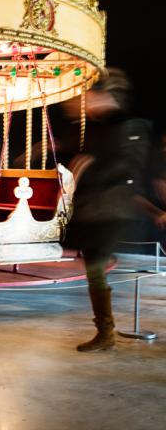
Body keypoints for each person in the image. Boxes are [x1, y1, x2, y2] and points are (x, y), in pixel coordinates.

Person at [62, 68, 152, 352]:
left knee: (96, 271)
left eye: (86, 96)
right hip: (95, 210)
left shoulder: (130, 128)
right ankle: (105, 331)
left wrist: (88, 166)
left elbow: (127, 169)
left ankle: (106, 332)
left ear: (102, 95)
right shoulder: (98, 129)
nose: (80, 104)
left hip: (109, 211)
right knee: (94, 272)